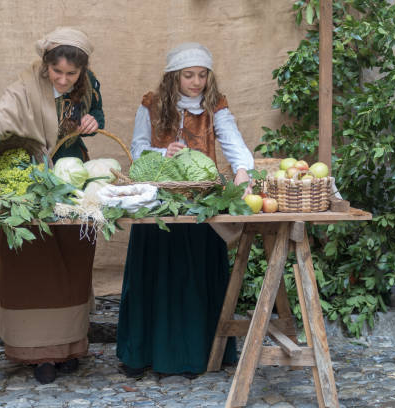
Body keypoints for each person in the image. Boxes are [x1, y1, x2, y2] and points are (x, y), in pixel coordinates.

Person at [0, 27, 104, 384]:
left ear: (82, 72)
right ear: (46, 67)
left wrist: (92, 123)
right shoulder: (24, 90)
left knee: (72, 267)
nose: (63, 79)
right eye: (57, 72)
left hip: (72, 190)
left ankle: (71, 346)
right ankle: (37, 354)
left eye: (72, 74)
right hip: (30, 188)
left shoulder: (89, 86)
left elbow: (97, 115)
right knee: (33, 269)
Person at [116, 42, 254, 378]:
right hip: (157, 206)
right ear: (174, 77)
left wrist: (242, 170)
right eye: (188, 75)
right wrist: (163, 153)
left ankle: (197, 354)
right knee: (156, 277)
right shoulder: (151, 105)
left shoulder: (214, 107)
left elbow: (235, 145)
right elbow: (137, 151)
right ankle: (142, 354)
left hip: (198, 206)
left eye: (202, 75)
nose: (196, 82)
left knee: (192, 280)